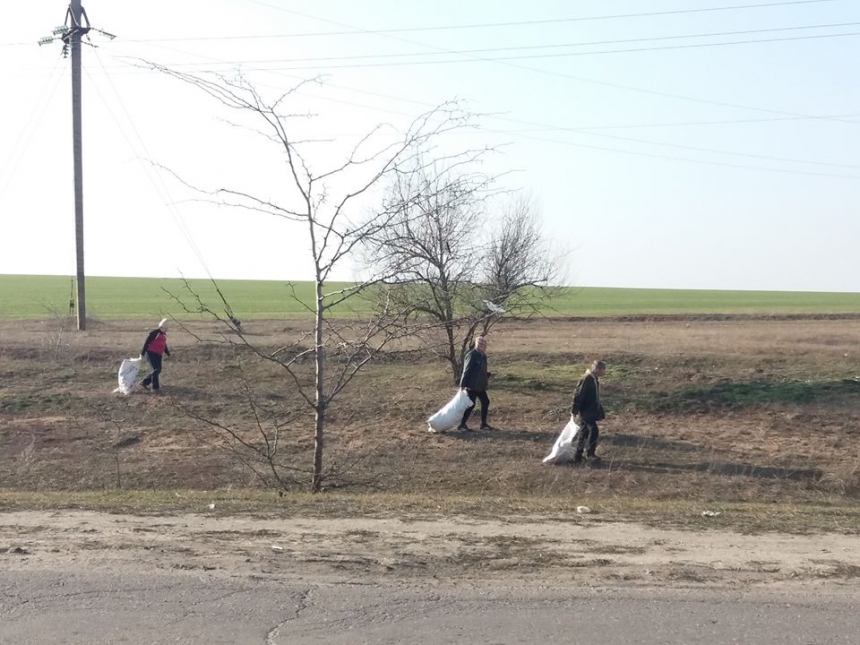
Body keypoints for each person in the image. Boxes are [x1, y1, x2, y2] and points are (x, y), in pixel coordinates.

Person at [571, 360, 607, 464]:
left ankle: (577, 456)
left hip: (589, 410)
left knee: (584, 432)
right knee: (594, 431)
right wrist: (574, 410)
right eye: (603, 370)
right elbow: (578, 395)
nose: (604, 372)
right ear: (597, 369)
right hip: (585, 411)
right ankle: (590, 454)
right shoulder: (587, 379)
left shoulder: (593, 378)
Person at [457, 335, 495, 432]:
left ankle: (483, 424)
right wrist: (462, 385)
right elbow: (466, 370)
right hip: (471, 385)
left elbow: (480, 370)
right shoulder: (471, 354)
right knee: (471, 404)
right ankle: (462, 425)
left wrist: (487, 375)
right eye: (480, 343)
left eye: (483, 343)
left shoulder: (483, 356)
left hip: (480, 385)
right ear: (476, 343)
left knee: (485, 401)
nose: (482, 345)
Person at [140, 318, 171, 392]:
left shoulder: (163, 335)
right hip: (151, 353)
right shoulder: (155, 333)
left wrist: (167, 353)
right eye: (165, 328)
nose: (166, 330)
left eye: (167, 328)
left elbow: (163, 344)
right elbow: (146, 343)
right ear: (161, 327)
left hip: (158, 354)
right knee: (156, 370)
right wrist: (142, 353)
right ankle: (155, 388)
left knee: (158, 370)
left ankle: (144, 382)